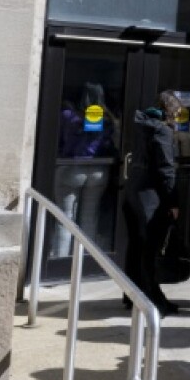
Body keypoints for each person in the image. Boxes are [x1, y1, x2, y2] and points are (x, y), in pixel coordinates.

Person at [122, 90, 181, 316]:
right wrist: (173, 202)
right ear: (170, 111)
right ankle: (153, 300)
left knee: (136, 247)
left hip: (132, 193)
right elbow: (166, 169)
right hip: (150, 197)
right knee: (149, 250)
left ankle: (131, 295)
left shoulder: (140, 126)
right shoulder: (161, 130)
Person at [53, 83, 117, 256]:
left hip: (72, 167)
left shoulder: (67, 116)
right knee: (90, 218)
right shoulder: (106, 120)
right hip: (99, 169)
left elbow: (57, 141)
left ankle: (60, 261)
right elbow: (110, 142)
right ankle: (85, 259)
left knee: (65, 218)